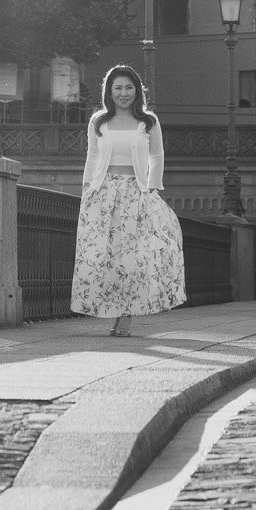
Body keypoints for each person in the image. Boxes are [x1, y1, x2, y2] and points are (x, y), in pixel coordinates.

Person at [71, 63, 186, 335]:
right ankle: (111, 310)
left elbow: (157, 156)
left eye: (128, 87)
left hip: (136, 193)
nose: (123, 93)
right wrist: (87, 189)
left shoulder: (148, 121)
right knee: (104, 256)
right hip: (103, 194)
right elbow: (93, 156)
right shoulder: (98, 121)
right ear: (109, 92)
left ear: (137, 91)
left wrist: (152, 188)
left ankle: (125, 315)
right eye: (118, 88)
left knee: (131, 258)